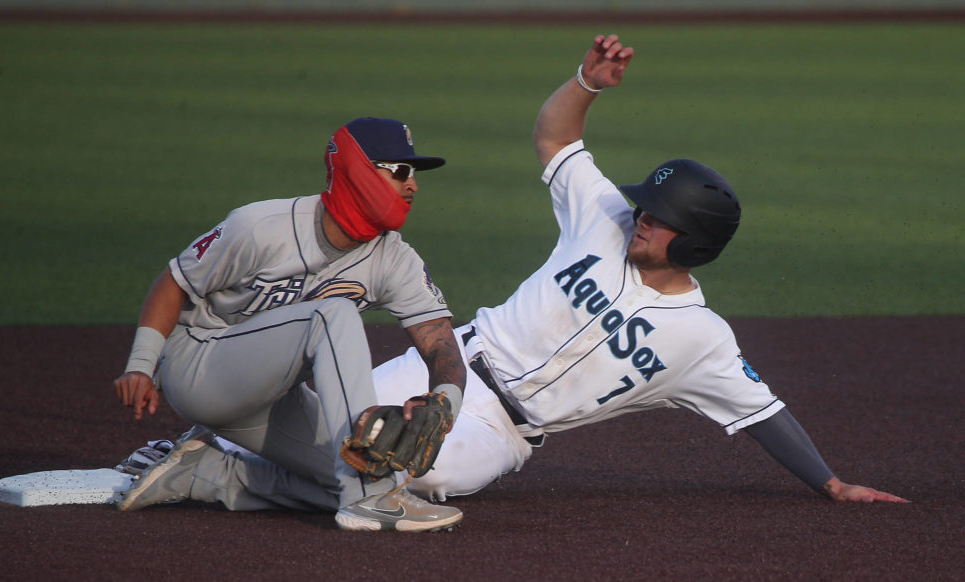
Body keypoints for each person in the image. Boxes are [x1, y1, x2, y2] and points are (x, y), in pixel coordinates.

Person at [115, 35, 906, 508]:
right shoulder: (605, 216)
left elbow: (763, 412)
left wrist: (830, 485)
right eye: (644, 206)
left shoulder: (702, 339)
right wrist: (589, 83)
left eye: (657, 219)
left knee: (402, 479)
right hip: (452, 360)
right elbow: (554, 137)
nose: (640, 217)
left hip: (500, 431)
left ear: (690, 246)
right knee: (325, 423)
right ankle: (218, 448)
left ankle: (221, 475)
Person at [112, 116, 469, 532]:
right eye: (402, 172)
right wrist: (141, 364)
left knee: (375, 474)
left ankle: (210, 475)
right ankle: (369, 496)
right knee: (331, 313)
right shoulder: (261, 227)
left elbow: (441, 344)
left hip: (272, 401)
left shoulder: (395, 260)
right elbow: (175, 281)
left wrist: (444, 404)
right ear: (359, 170)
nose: (414, 186)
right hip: (201, 368)